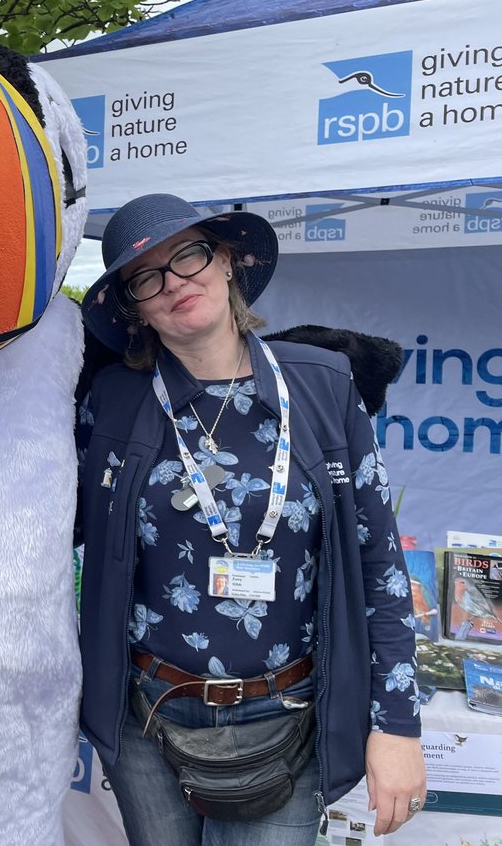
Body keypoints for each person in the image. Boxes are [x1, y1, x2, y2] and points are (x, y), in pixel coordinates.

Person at [76, 193, 424, 845]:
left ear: (228, 260)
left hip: (287, 721)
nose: (175, 282)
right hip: (145, 720)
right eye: (146, 276)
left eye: (189, 255)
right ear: (135, 309)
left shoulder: (323, 387)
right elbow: (48, 523)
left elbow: (379, 565)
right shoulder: (114, 401)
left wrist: (397, 724)